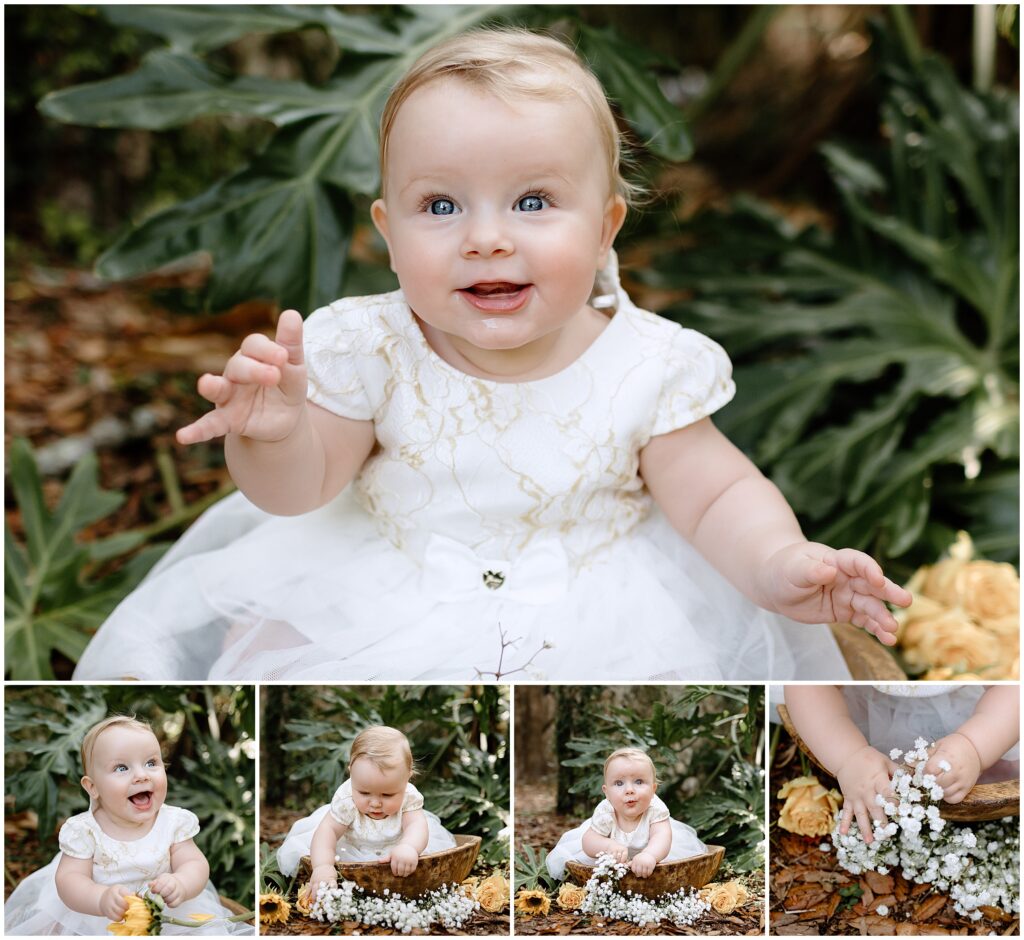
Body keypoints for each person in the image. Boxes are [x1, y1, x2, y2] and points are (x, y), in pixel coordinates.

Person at [74, 27, 911, 683]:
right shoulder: (371, 346)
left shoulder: (646, 364)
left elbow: (718, 494)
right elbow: (300, 490)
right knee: (289, 664)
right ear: (388, 235)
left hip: (603, 610)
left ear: (606, 227)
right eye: (439, 204)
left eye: (533, 201)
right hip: (385, 587)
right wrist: (274, 434)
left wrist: (774, 561)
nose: (485, 238)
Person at [4, 716, 250, 936]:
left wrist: (181, 883)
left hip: (166, 915)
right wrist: (99, 898)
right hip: (98, 919)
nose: (141, 775)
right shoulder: (85, 831)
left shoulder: (173, 822)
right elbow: (70, 880)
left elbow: (194, 863)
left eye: (151, 763)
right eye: (121, 768)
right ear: (93, 787)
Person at [783, 684, 1020, 844]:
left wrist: (975, 746)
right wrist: (848, 757)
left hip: (983, 713)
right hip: (865, 711)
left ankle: (974, 755)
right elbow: (806, 688)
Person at [276, 726, 454, 901]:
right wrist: (322, 866)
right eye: (364, 793)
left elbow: (416, 825)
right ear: (351, 773)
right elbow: (327, 831)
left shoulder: (408, 796)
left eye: (387, 794)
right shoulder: (346, 800)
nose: (375, 803)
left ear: (408, 776)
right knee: (322, 845)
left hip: (398, 846)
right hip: (352, 847)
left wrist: (409, 846)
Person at [546, 747, 705, 880]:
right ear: (606, 793)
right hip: (613, 852)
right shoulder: (606, 810)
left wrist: (650, 855)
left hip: (652, 851)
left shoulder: (655, 809)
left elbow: (662, 837)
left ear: (653, 789)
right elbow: (588, 841)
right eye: (619, 783)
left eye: (639, 782)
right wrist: (608, 846)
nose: (629, 790)